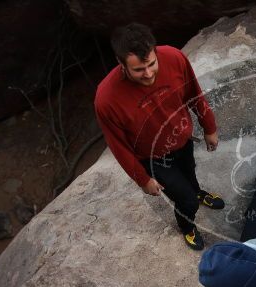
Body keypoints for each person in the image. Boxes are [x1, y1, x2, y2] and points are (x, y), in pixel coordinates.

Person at [94, 22, 224, 251]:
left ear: (155, 52)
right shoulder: (106, 99)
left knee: (189, 172)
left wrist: (209, 127)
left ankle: (197, 191)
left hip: (182, 140)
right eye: (138, 70)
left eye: (152, 64)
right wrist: (142, 179)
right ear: (120, 64)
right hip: (152, 158)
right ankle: (187, 226)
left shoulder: (174, 58)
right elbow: (118, 146)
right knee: (185, 200)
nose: (149, 73)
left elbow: (194, 93)